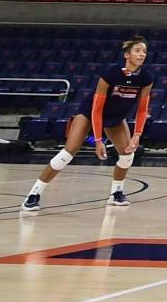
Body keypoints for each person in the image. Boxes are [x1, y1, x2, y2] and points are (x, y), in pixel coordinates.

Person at [23, 34, 153, 211]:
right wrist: (98, 140)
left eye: (144, 51)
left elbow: (142, 109)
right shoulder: (110, 74)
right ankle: (34, 194)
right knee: (67, 154)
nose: (141, 54)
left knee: (127, 155)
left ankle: (116, 193)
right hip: (88, 114)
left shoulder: (146, 78)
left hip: (115, 119)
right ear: (127, 55)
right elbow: (96, 109)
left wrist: (137, 135)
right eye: (137, 51)